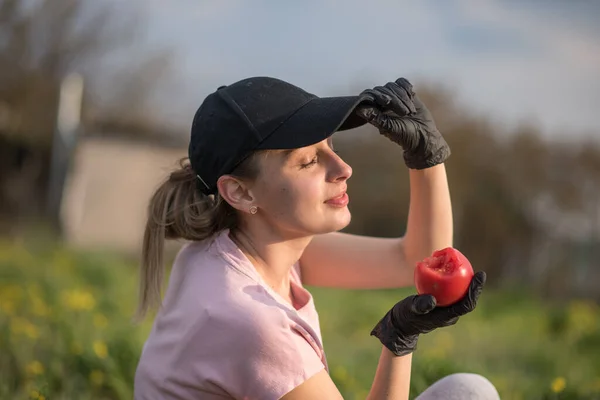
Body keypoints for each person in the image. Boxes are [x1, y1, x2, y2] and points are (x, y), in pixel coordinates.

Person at [133, 76, 500, 400]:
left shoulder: (239, 249)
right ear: (241, 193)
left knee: (469, 392)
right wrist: (398, 342)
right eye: (308, 161)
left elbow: (417, 260)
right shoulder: (254, 323)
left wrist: (427, 158)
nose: (343, 169)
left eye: (331, 147)